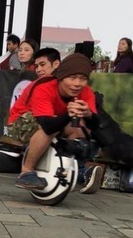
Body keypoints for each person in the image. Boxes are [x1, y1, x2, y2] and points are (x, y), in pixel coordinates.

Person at [8, 53, 102, 194]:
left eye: (83, 79)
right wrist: (68, 115)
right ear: (61, 77)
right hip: (22, 121)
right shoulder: (45, 86)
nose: (77, 84)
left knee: (82, 127)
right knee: (52, 129)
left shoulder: (86, 92)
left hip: (55, 120)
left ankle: (77, 170)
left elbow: (94, 126)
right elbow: (47, 125)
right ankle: (26, 172)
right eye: (72, 78)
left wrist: (88, 114)